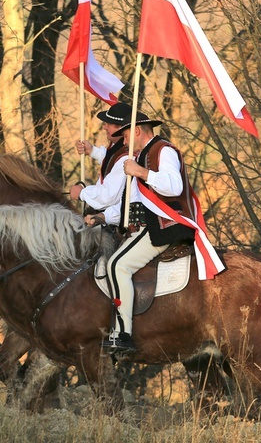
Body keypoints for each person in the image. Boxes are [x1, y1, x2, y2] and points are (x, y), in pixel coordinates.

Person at [98, 110, 196, 355]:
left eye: (126, 133)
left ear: (137, 131)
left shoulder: (163, 151)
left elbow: (175, 186)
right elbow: (132, 203)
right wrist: (102, 217)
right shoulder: (141, 156)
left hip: (162, 226)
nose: (122, 139)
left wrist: (141, 173)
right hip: (145, 224)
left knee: (116, 266)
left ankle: (123, 333)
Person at [69, 102, 132, 215]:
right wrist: (92, 151)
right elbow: (110, 159)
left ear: (120, 128)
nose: (104, 127)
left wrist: (82, 193)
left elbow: (109, 196)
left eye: (109, 124)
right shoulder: (118, 147)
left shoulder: (126, 157)